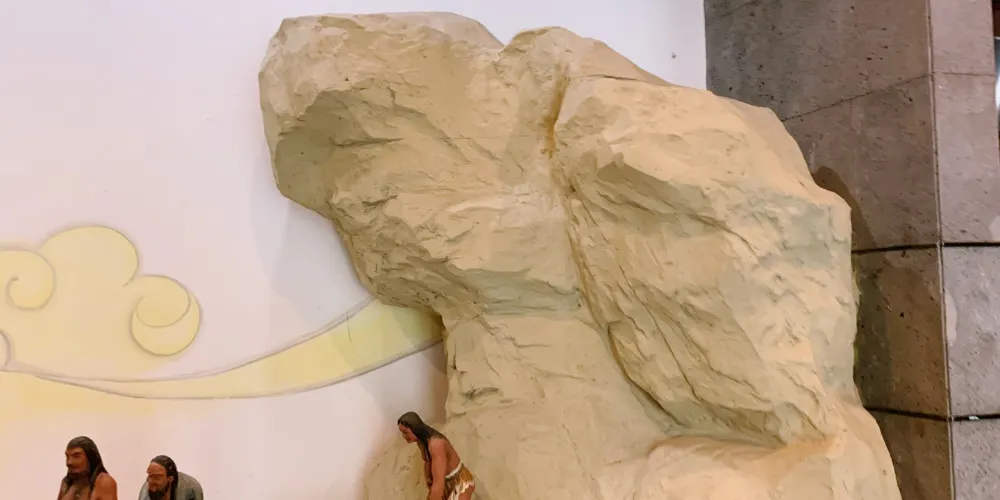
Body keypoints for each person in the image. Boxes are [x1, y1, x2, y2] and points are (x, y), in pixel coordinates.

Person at [397, 412, 475, 500]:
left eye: (405, 432)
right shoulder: (421, 441)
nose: (404, 436)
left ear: (415, 428)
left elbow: (439, 483)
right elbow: (427, 461)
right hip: (444, 485)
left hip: (458, 482)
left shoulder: (436, 445)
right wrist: (429, 479)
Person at [58, 436, 118, 500]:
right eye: (67, 457)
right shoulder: (66, 483)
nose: (69, 462)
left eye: (76, 456)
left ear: (90, 457)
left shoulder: (104, 482)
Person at [138, 455, 203, 500]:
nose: (151, 481)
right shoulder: (145, 493)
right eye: (149, 476)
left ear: (170, 478)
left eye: (157, 477)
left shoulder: (191, 489)